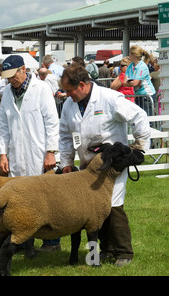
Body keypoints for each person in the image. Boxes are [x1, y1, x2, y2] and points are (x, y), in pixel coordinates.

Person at [59, 64, 150, 266]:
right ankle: (106, 250)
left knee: (113, 205)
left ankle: (124, 252)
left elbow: (140, 116)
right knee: (94, 210)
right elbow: (66, 135)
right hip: (87, 166)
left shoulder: (109, 98)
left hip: (112, 163)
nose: (67, 94)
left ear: (81, 85)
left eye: (69, 90)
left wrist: (139, 147)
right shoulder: (69, 104)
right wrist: (66, 162)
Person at [0, 54, 60, 251]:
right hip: (17, 153)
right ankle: (24, 241)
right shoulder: (7, 92)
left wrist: (51, 151)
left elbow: (52, 122)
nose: (10, 80)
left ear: (23, 69)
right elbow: (3, 127)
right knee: (21, 198)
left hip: (39, 152)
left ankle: (51, 242)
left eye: (13, 75)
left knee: (44, 198)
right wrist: (3, 154)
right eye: (7, 77)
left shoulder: (41, 89)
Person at [123, 45, 156, 116]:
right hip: (138, 95)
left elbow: (134, 83)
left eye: (129, 53)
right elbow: (124, 82)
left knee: (148, 119)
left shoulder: (142, 66)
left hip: (147, 96)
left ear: (134, 55)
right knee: (139, 118)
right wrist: (134, 82)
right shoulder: (130, 66)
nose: (128, 55)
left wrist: (131, 82)